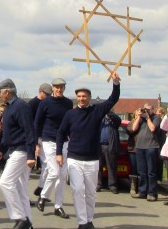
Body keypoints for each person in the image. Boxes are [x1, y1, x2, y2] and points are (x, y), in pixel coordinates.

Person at [56, 71, 120, 229]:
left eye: (84, 96)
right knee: (77, 190)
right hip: (74, 158)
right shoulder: (70, 114)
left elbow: (113, 99)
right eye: (79, 96)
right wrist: (58, 153)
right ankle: (82, 222)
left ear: (89, 98)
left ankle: (89, 220)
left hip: (92, 159)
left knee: (91, 192)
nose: (81, 99)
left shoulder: (97, 111)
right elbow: (60, 133)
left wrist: (116, 83)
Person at [0, 78, 36, 229]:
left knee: (5, 183)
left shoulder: (21, 107)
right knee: (21, 189)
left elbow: (29, 131)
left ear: (7, 91)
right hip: (15, 150)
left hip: (21, 151)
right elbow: (8, 134)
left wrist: (31, 155)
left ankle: (20, 218)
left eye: (0, 92)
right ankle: (28, 223)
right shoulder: (10, 108)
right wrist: (1, 150)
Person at [34, 78, 73, 219]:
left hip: (63, 141)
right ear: (52, 88)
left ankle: (58, 206)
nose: (59, 89)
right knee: (54, 172)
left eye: (61, 87)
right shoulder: (45, 102)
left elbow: (70, 122)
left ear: (64, 88)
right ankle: (43, 196)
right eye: (56, 87)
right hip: (48, 139)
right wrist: (37, 142)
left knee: (62, 176)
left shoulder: (68, 103)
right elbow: (37, 122)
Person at [127, 103, 161, 202]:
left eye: (149, 110)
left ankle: (152, 193)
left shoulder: (156, 118)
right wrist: (138, 117)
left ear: (153, 110)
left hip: (151, 147)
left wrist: (147, 118)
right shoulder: (141, 118)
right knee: (141, 171)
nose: (147, 111)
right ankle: (142, 191)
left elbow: (153, 128)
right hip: (140, 147)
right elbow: (133, 129)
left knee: (151, 171)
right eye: (145, 109)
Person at [28, 83, 52, 197]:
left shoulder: (47, 103)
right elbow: (30, 123)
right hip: (34, 137)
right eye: (46, 94)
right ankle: (25, 195)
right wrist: (35, 141)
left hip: (44, 137)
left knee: (46, 164)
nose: (48, 96)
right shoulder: (32, 104)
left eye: (49, 94)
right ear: (40, 91)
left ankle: (41, 187)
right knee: (28, 167)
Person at [97, 111, 121, 194]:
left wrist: (109, 114)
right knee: (98, 167)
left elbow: (118, 119)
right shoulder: (100, 120)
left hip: (110, 146)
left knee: (111, 167)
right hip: (99, 146)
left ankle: (112, 186)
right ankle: (98, 184)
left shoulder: (114, 121)